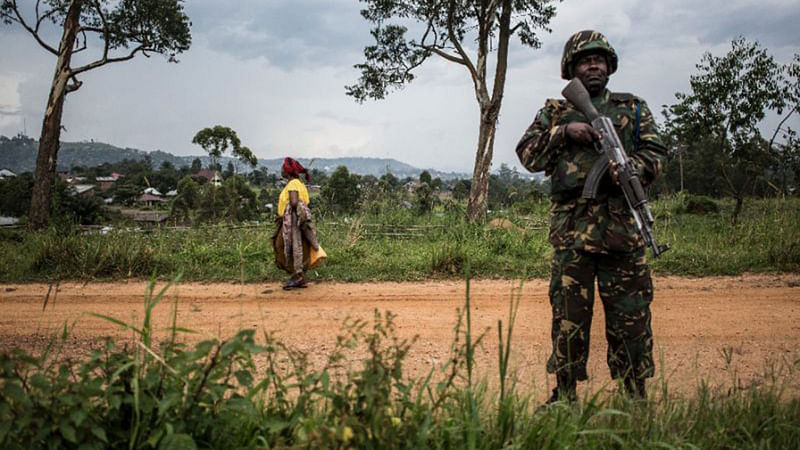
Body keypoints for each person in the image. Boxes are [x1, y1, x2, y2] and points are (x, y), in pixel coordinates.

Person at [515, 30, 668, 402]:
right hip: (573, 237)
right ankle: (564, 395)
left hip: (622, 237)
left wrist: (631, 167)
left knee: (630, 320)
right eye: (586, 60)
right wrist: (565, 132)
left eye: (599, 59)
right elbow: (527, 155)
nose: (594, 64)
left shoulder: (632, 108)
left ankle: (634, 395)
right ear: (572, 68)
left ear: (610, 65)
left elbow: (657, 153)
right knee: (569, 322)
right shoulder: (555, 111)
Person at [274, 157, 320, 290]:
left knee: (294, 245)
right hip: (296, 218)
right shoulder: (298, 183)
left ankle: (298, 275)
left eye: (283, 167)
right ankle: (299, 275)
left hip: (293, 218)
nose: (281, 169)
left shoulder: (293, 184)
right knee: (296, 246)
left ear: (288, 171)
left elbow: (294, 202)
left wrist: (290, 214)